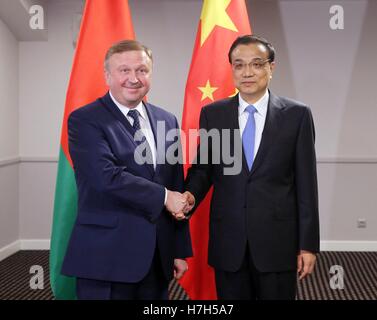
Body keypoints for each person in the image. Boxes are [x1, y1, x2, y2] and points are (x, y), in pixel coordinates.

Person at [182, 35, 319, 300]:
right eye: (239, 64)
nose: (247, 72)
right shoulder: (214, 114)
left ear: (271, 68)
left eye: (256, 64)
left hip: (276, 242)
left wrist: (308, 245)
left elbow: (306, 186)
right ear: (231, 68)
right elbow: (203, 169)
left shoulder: (297, 115)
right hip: (228, 240)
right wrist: (190, 195)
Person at [61, 40, 192, 300]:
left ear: (150, 74)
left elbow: (175, 182)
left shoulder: (167, 119)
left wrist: (178, 249)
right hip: (106, 257)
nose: (134, 78)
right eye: (124, 70)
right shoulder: (84, 120)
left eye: (142, 70)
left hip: (157, 257)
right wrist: (165, 197)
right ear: (108, 75)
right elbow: (105, 176)